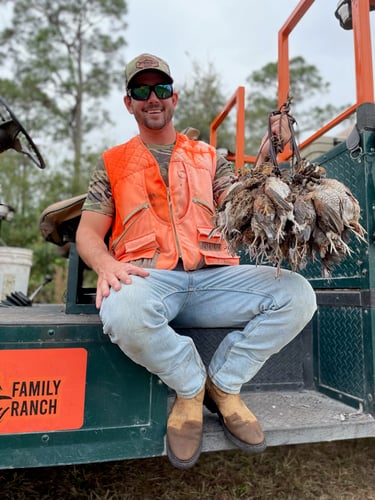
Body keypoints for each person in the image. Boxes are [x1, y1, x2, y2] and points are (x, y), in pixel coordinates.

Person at [76, 53, 317, 470]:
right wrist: (104, 264)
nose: (153, 98)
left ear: (175, 98)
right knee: (123, 313)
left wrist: (270, 150)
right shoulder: (112, 163)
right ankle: (189, 387)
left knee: (298, 294)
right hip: (150, 279)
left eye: (161, 89)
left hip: (214, 279)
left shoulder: (208, 157)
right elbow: (87, 233)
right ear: (128, 102)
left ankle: (223, 384)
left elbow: (245, 199)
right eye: (141, 90)